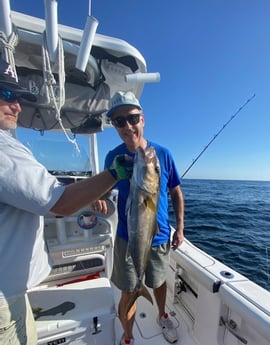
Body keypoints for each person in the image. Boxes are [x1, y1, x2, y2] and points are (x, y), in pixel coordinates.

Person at [0, 58, 132, 345]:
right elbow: (58, 202)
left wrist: (85, 198)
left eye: (19, 98)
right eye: (7, 95)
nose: (17, 106)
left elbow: (41, 198)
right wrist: (114, 173)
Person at [91, 91, 185, 345]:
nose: (127, 126)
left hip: (161, 236)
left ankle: (162, 314)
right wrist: (97, 200)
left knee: (159, 282)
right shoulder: (114, 156)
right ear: (114, 126)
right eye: (119, 121)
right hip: (127, 236)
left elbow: (176, 191)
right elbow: (101, 192)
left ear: (142, 119)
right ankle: (129, 336)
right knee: (128, 289)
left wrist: (181, 228)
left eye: (132, 118)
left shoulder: (162, 154)